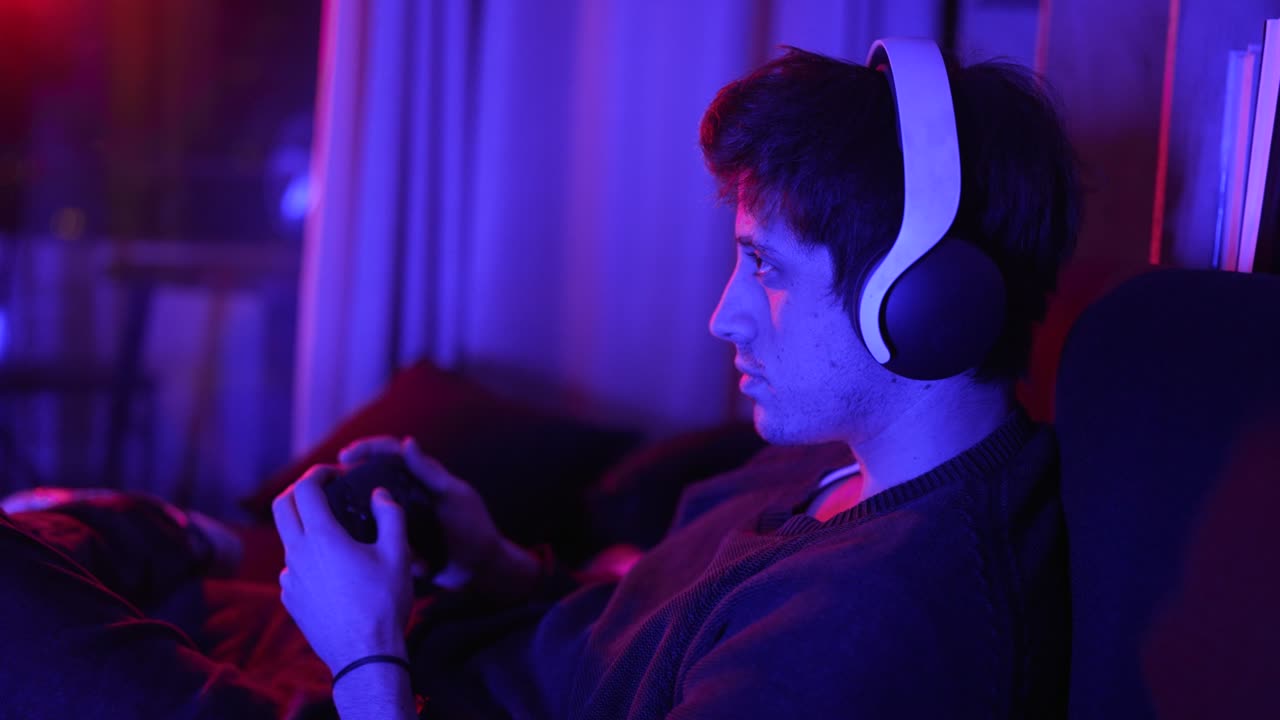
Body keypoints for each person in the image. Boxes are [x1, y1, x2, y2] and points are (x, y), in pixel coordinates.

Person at [0, 39, 1079, 719]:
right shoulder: (842, 463)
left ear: (923, 301)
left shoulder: (873, 638)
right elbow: (641, 650)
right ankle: (178, 539)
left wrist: (365, 653)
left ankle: (175, 540)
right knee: (58, 550)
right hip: (426, 658)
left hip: (374, 692)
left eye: (766, 269)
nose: (724, 315)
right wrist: (500, 563)